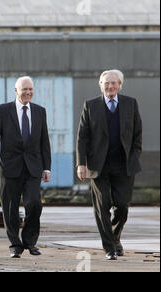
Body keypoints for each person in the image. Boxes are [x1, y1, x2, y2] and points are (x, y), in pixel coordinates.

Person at [76, 69, 142, 260]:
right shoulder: (90, 105)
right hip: (99, 165)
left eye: (114, 83)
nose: (110, 86)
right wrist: (81, 163)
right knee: (102, 205)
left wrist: (135, 155)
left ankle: (114, 237)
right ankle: (109, 248)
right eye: (106, 83)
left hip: (124, 164)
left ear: (120, 85)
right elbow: (82, 137)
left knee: (122, 206)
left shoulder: (131, 104)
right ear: (100, 85)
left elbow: (137, 134)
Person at [0, 76, 51, 258]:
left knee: (34, 204)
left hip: (33, 168)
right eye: (24, 89)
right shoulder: (3, 110)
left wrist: (47, 168)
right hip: (9, 167)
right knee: (10, 208)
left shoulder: (40, 111)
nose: (28, 92)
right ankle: (15, 244)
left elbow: (44, 141)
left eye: (30, 89)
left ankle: (30, 241)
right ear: (16, 91)